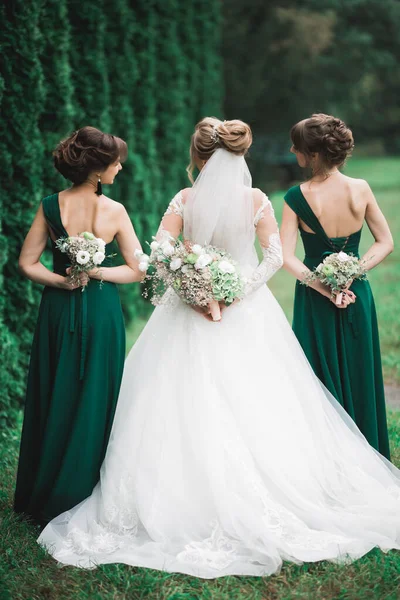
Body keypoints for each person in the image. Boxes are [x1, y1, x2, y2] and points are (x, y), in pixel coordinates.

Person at [38, 118, 399, 578]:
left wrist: (193, 290)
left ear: (199, 156)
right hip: (247, 311)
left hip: (188, 313)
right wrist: (233, 292)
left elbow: (161, 253)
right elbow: (271, 257)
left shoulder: (185, 200)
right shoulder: (256, 200)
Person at [15, 126, 143, 525]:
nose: (120, 167)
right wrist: (99, 273)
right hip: (101, 310)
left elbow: (27, 263)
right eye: (115, 161)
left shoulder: (49, 205)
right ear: (97, 170)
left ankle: (42, 489)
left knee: (55, 388)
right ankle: (86, 485)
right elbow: (139, 268)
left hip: (57, 308)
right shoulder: (116, 210)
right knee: (97, 393)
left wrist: (63, 281)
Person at [281, 113, 393, 459]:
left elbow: (287, 258)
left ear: (312, 154)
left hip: (315, 299)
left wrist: (325, 286)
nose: (292, 150)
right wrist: (352, 271)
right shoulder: (360, 188)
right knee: (361, 370)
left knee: (318, 376)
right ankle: (367, 451)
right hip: (357, 294)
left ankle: (325, 458)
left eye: (296, 147)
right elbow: (384, 242)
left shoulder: (295, 196)